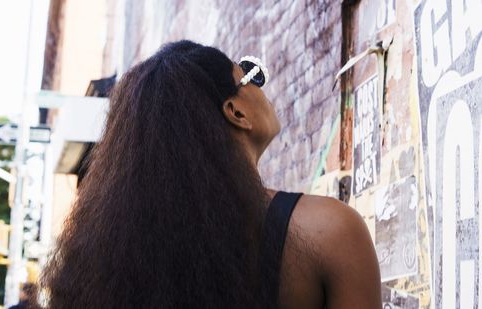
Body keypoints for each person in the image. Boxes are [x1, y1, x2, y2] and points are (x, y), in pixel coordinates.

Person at [40, 40, 381, 308]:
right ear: (235, 112)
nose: (261, 87)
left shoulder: (106, 267)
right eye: (251, 76)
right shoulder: (328, 231)